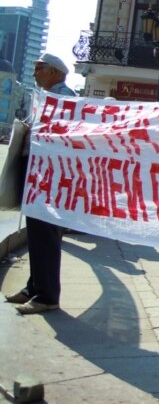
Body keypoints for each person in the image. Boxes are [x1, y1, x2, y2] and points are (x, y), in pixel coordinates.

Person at [4, 54, 77, 315]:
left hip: (48, 176)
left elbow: (63, 136)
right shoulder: (47, 97)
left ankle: (47, 295)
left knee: (45, 233)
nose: (35, 73)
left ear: (54, 72)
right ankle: (34, 286)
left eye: (40, 68)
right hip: (39, 173)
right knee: (36, 232)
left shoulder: (63, 98)